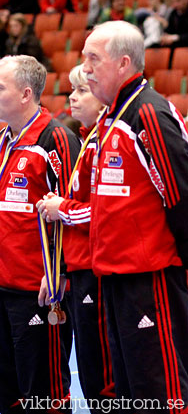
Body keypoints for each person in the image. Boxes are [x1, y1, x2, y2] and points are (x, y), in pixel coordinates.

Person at [80, 20, 188, 409]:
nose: (85, 68)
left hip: (150, 281)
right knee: (130, 393)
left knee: (161, 393)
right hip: (115, 279)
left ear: (124, 63)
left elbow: (181, 197)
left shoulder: (149, 115)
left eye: (93, 59)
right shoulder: (110, 118)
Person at [0, 55, 80, 414]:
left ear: (26, 93)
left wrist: (60, 270)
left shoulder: (55, 139)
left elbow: (73, 208)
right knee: (7, 386)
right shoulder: (0, 143)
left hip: (39, 288)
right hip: (0, 286)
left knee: (43, 392)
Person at [36, 65, 117, 414]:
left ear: (102, 97)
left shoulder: (106, 141)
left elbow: (105, 212)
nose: (72, 97)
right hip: (82, 268)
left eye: (81, 91)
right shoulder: (89, 139)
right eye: (72, 90)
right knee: (90, 372)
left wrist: (61, 208)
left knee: (105, 377)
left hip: (98, 271)